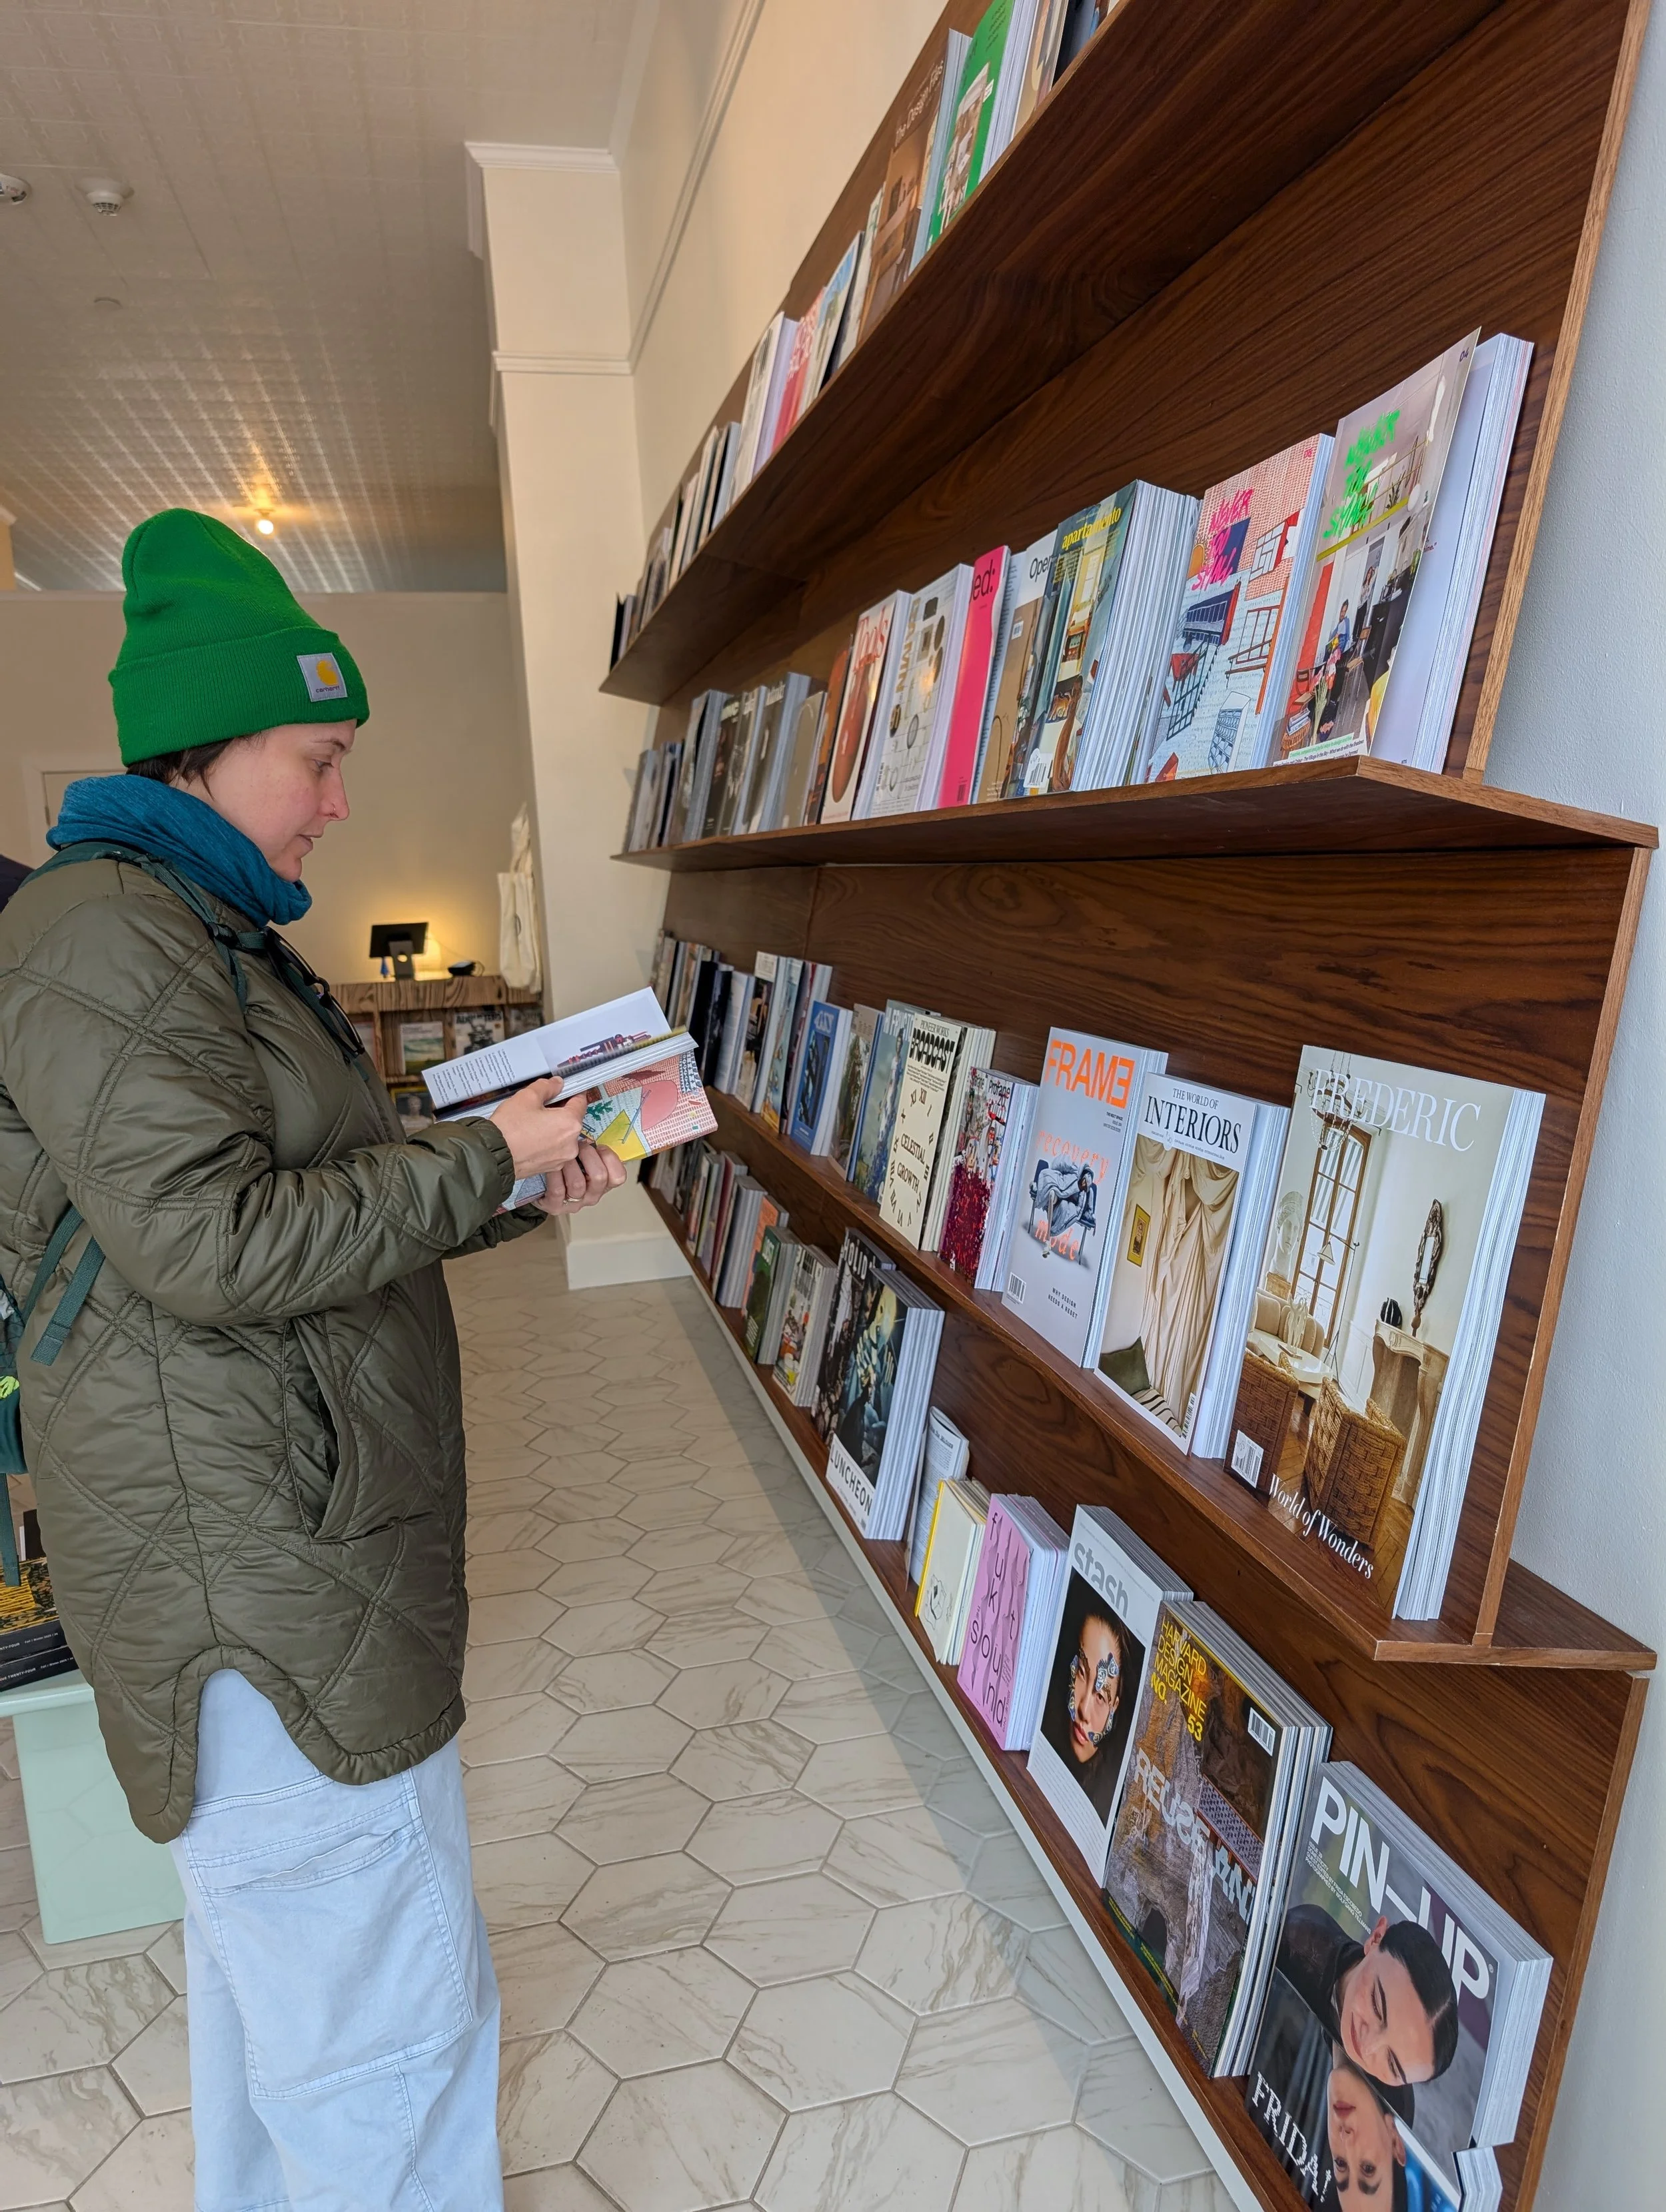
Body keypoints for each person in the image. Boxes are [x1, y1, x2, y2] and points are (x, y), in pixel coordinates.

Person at [0, 508, 627, 2211]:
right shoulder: (107, 939)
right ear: (208, 748)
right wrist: (482, 1157)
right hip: (256, 1580)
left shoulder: (187, 927)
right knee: (385, 2031)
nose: (339, 799)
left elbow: (310, 1194)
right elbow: (212, 1243)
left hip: (273, 1549)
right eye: (318, 758)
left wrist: (502, 1170)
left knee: (302, 2008)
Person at [1277, 1898, 1459, 2121]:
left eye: (1392, 2064)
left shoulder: (1393, 2113)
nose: (1369, 2046)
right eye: (1377, 2005)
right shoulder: (1300, 1940)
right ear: (1375, 1939)